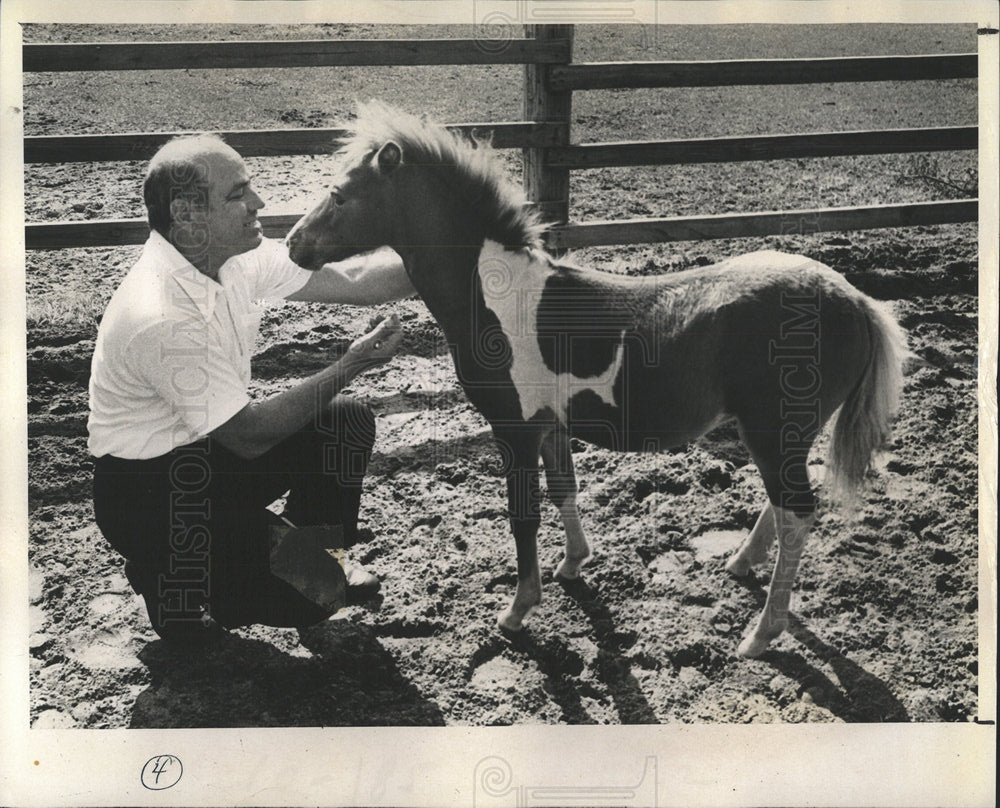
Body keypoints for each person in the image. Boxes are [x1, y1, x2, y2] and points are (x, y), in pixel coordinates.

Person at [87, 133, 414, 644]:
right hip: (150, 497)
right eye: (239, 193)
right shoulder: (159, 313)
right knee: (311, 600)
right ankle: (164, 575)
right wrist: (351, 363)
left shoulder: (234, 257)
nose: (258, 203)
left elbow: (357, 281)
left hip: (207, 457)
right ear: (188, 213)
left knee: (342, 421)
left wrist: (453, 251)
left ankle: (306, 552)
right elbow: (250, 436)